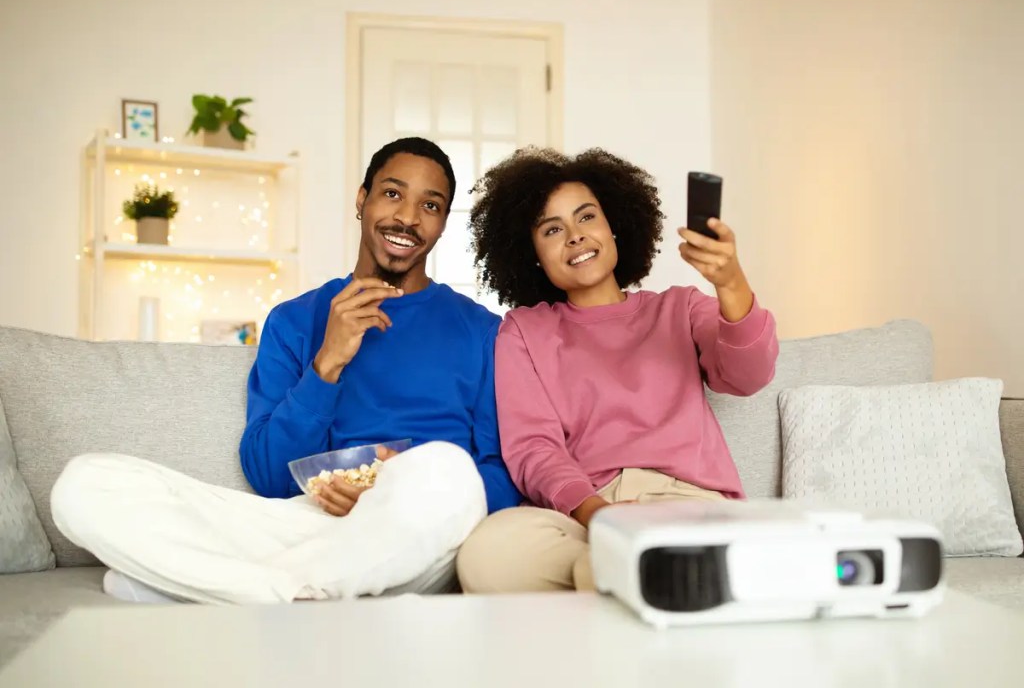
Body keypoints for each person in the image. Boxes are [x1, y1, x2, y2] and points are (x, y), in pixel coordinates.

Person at [50, 137, 521, 604]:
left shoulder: (482, 331)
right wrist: (327, 363)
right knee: (86, 484)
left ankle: (226, 588)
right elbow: (268, 475)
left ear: (442, 225)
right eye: (392, 193)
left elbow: (501, 478)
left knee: (448, 469)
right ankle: (293, 592)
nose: (407, 217)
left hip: (423, 529)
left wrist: (393, 494)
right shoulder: (295, 320)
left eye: (431, 205)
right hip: (311, 523)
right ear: (362, 199)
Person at [455, 147, 779, 593]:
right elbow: (534, 447)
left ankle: (621, 575)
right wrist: (595, 513)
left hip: (688, 506)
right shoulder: (523, 332)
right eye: (553, 229)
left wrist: (730, 283)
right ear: (532, 254)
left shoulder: (680, 307)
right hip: (585, 514)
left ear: (614, 227)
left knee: (610, 567)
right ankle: (625, 575)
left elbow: (748, 375)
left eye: (587, 217)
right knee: (486, 556)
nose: (575, 236)